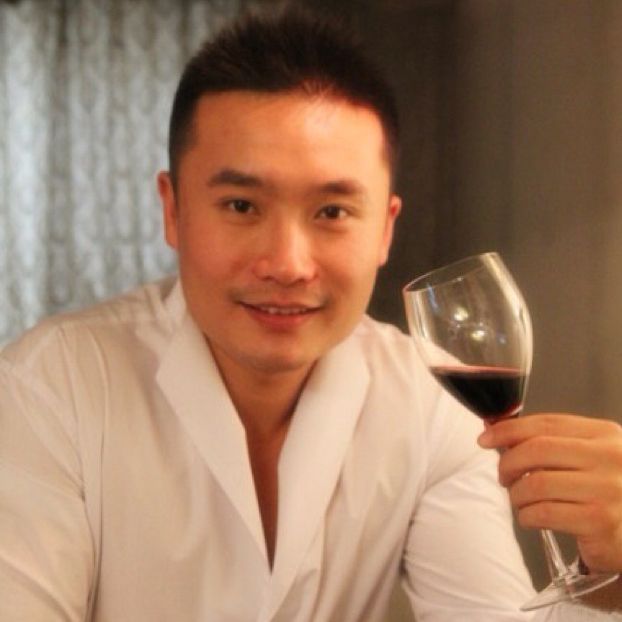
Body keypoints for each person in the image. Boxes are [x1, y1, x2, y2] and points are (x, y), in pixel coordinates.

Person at [1, 6, 621, 621]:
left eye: (331, 212)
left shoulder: (429, 403)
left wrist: (610, 574)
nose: (288, 264)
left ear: (384, 229)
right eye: (242, 206)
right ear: (173, 210)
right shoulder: (51, 388)